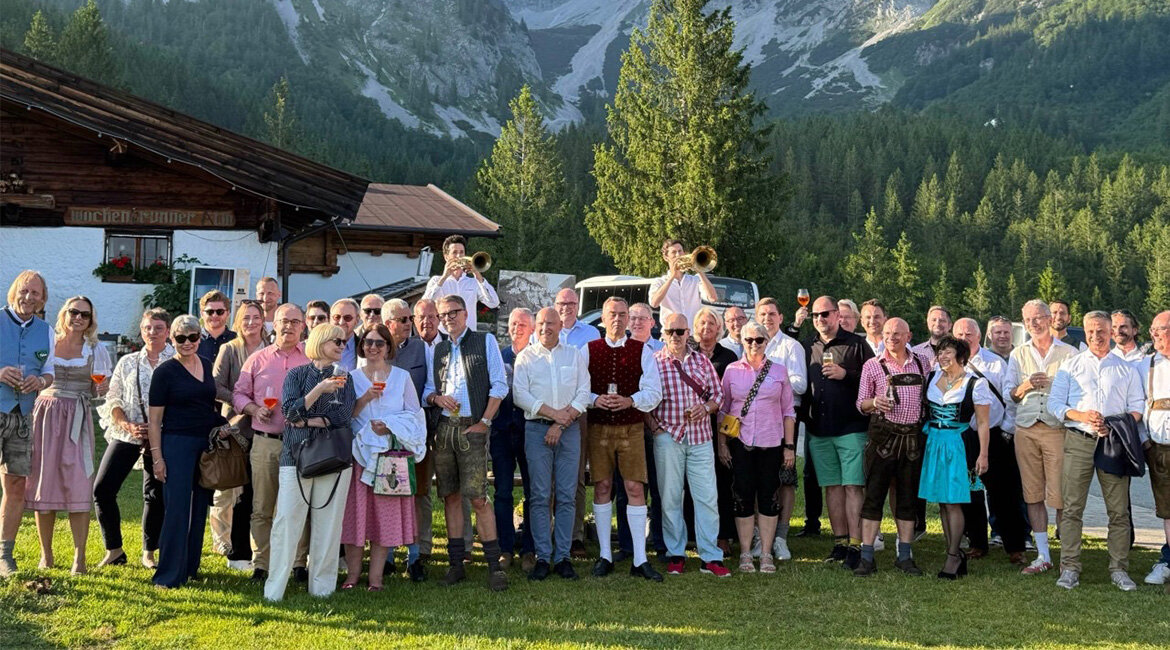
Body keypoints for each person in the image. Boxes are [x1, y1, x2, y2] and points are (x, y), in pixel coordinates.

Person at [1049, 311, 1145, 592]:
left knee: (1118, 510)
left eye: (1101, 330)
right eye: (1090, 331)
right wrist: (1080, 415)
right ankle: (1069, 568)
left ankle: (1119, 569)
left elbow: (1137, 407)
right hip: (1079, 439)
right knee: (1072, 508)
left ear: (1111, 332)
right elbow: (1056, 404)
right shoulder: (1072, 365)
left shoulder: (1125, 368)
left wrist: (1115, 426)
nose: (1095, 336)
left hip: (1112, 442)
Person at [422, 295, 510, 590]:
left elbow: (500, 384)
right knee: (450, 496)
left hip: (473, 425)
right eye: (443, 314)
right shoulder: (440, 349)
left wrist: (483, 422)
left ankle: (494, 566)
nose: (447, 318)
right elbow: (429, 392)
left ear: (465, 313)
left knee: (477, 497)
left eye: (452, 313)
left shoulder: (484, 341)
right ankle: (456, 564)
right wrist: (436, 398)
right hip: (445, 427)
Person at [264, 323, 356, 601]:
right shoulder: (297, 374)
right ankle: (274, 590)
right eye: (336, 341)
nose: (342, 346)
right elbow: (289, 412)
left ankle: (322, 589)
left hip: (334, 458)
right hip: (295, 456)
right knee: (287, 522)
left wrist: (306, 419)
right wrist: (319, 391)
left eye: (343, 342)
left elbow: (343, 418)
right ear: (320, 342)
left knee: (329, 525)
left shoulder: (346, 379)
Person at [26, 296, 111, 574]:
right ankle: (46, 555)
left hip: (76, 415)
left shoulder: (95, 349)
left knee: (78, 484)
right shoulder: (48, 342)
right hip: (45, 417)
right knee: (43, 483)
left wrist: (100, 390)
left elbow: (102, 387)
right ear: (64, 313)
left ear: (90, 320)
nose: (78, 318)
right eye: (73, 312)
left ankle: (79, 558)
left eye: (84, 315)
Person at [341, 324, 426, 591]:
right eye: (368, 342)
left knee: (383, 518)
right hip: (360, 455)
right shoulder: (352, 378)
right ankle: (353, 576)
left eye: (379, 343)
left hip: (390, 456)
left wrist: (389, 425)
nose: (373, 348)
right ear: (361, 346)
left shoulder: (401, 377)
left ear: (389, 347)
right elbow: (346, 417)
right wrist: (365, 399)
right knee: (355, 518)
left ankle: (376, 578)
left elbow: (414, 414)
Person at [584, 297, 663, 581]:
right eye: (612, 314)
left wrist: (630, 400)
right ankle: (605, 554)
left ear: (628, 318)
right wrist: (596, 399)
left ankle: (640, 559)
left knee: (635, 488)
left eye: (622, 314)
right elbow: (579, 389)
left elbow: (654, 392)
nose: (617, 319)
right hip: (599, 427)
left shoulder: (643, 351)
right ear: (603, 319)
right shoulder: (588, 350)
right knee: (603, 486)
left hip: (631, 428)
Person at [147, 314, 228, 589]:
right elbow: (154, 421)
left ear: (199, 338)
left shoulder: (206, 364)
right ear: (172, 340)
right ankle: (169, 574)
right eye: (181, 338)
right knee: (177, 509)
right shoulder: (164, 372)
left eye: (193, 337)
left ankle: (190, 567)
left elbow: (206, 406)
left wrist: (223, 424)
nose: (187, 342)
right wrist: (158, 458)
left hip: (203, 446)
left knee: (199, 507)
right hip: (176, 445)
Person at [233, 303, 311, 583]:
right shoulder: (257, 359)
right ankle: (262, 563)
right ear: (273, 325)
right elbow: (239, 394)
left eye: (294, 321)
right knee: (262, 506)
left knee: (298, 505)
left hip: (301, 443)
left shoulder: (311, 363)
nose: (288, 326)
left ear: (303, 326)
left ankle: (298, 563)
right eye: (283, 321)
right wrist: (254, 410)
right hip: (265, 442)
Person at [513, 307, 590, 581]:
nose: (546, 327)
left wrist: (561, 422)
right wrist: (552, 414)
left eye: (551, 323)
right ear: (535, 327)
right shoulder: (525, 358)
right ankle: (544, 557)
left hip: (568, 431)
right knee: (540, 496)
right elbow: (520, 395)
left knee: (567, 495)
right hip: (536, 432)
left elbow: (584, 392)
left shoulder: (574, 355)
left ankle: (564, 557)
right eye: (542, 323)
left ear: (561, 326)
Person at [649, 313, 728, 577]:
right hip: (668, 437)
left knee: (706, 497)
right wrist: (654, 427)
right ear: (663, 332)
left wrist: (705, 408)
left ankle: (710, 555)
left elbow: (718, 395)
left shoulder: (701, 361)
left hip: (700, 437)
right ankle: (676, 553)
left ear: (687, 334)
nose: (675, 336)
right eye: (671, 331)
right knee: (671, 497)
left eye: (680, 331)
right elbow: (644, 398)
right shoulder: (653, 362)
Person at [94, 308, 173, 569]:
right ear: (141, 330)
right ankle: (114, 550)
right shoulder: (127, 362)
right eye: (148, 327)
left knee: (154, 494)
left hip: (162, 437)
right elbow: (113, 398)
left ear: (168, 331)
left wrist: (157, 428)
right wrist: (126, 424)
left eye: (158, 328)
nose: (152, 332)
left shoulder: (176, 360)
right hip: (128, 433)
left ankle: (149, 552)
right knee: (102, 489)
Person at [1005, 299, 1077, 575]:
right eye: (1027, 320)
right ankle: (1043, 555)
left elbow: (1077, 392)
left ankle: (1067, 556)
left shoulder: (1069, 353)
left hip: (1056, 429)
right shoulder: (1018, 353)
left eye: (1037, 318)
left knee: (1060, 496)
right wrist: (1025, 385)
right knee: (1032, 494)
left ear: (1049, 319)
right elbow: (1009, 393)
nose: (1033, 324)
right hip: (1026, 429)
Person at [718, 321, 796, 573]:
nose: (754, 344)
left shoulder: (779, 371)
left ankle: (765, 553)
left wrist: (789, 446)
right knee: (742, 497)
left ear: (767, 342)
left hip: (771, 443)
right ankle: (744, 553)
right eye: (749, 340)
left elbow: (788, 412)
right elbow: (723, 410)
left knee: (768, 498)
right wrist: (722, 444)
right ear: (742, 341)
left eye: (759, 340)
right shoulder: (731, 370)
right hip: (741, 443)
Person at [853, 318, 928, 577]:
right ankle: (866, 556)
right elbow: (860, 404)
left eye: (897, 333)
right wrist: (875, 401)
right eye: (887, 334)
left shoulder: (922, 362)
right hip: (882, 439)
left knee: (907, 499)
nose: (891, 338)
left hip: (912, 439)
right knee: (873, 497)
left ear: (908, 336)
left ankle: (904, 556)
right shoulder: (873, 365)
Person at [953, 318, 1028, 565]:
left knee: (1003, 493)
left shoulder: (996, 363)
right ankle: (977, 543)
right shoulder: (949, 364)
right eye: (960, 333)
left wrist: (1007, 430)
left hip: (995, 435)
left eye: (970, 333)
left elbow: (1009, 398)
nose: (965, 337)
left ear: (979, 336)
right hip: (964, 435)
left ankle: (1015, 546)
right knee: (972, 491)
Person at [805, 296, 872, 569]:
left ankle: (857, 544)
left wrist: (846, 375)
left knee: (853, 486)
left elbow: (873, 381)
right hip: (819, 429)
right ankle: (840, 542)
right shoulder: (809, 345)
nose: (821, 319)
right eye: (816, 315)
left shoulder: (857, 344)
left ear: (837, 315)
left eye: (825, 314)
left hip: (851, 427)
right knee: (831, 487)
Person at [919, 336, 991, 579]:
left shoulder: (975, 384)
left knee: (954, 500)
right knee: (941, 499)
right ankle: (953, 551)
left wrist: (983, 454)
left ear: (961, 356)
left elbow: (982, 423)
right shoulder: (932, 378)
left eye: (948, 352)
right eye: (940, 352)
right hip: (934, 442)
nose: (943, 356)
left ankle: (953, 555)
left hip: (958, 444)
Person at [0, 270, 55, 578]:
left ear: (42, 299)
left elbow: (50, 373)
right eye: (24, 291)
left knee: (16, 484)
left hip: (22, 416)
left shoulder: (46, 331)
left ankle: (4, 555)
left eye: (35, 293)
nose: (29, 297)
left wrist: (40, 380)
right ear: (14, 292)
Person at [211, 300, 266, 572]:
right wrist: (244, 401)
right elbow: (215, 385)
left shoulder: (271, 349)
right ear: (238, 321)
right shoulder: (229, 350)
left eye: (256, 317)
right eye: (246, 318)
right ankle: (238, 552)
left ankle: (263, 551)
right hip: (238, 429)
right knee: (240, 493)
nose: (251, 323)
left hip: (268, 428)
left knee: (263, 494)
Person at [381, 298, 429, 580]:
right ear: (388, 324)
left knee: (410, 496)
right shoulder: (375, 350)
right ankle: (386, 557)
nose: (409, 323)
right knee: (385, 497)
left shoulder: (422, 348)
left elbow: (418, 401)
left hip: (410, 436)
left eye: (410, 318)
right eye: (403, 319)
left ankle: (414, 557)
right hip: (380, 439)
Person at [756, 297, 807, 561]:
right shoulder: (752, 344)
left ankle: (780, 537)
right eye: (762, 314)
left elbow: (800, 385)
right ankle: (759, 536)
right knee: (759, 478)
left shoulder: (791, 346)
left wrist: (776, 379)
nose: (767, 318)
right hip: (757, 421)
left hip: (785, 418)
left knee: (785, 479)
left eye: (772, 314)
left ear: (781, 317)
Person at [615, 302, 666, 561]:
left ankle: (659, 543)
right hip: (629, 427)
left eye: (641, 318)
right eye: (631, 318)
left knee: (658, 489)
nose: (635, 322)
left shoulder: (663, 351)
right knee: (627, 489)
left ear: (652, 322)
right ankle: (626, 546)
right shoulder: (619, 350)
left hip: (659, 430)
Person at [553, 288, 601, 561]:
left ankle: (574, 537)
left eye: (571, 303)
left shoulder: (591, 334)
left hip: (579, 410)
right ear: (555, 305)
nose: (567, 307)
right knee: (547, 477)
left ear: (578, 305)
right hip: (547, 410)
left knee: (575, 475)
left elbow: (592, 376)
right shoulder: (544, 329)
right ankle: (548, 533)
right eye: (562, 303)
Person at [692, 307, 740, 556]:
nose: (706, 328)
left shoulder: (729, 357)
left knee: (722, 483)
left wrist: (723, 440)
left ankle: (723, 536)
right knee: (691, 485)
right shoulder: (687, 354)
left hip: (718, 428)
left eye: (711, 324)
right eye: (702, 324)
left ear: (719, 329)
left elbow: (731, 400)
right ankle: (693, 534)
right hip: (691, 427)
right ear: (695, 328)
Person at [492, 308, 536, 571]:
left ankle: (529, 549)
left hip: (530, 433)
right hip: (501, 433)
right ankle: (505, 548)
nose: (516, 328)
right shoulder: (499, 356)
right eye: (512, 324)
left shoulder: (537, 357)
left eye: (522, 324)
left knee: (534, 493)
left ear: (532, 328)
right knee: (502, 493)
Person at [1140, 311, 1170, 592]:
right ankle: (1168, 561)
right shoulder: (1146, 365)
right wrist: (1144, 441)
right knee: (1167, 507)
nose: (1155, 336)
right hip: (1159, 446)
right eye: (1153, 331)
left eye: (1160, 330)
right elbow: (1137, 405)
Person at [422, 234, 500, 332]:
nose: (459, 256)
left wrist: (478, 275)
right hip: (444, 336)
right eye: (455, 252)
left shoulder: (474, 282)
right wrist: (444, 277)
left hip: (469, 337)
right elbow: (425, 305)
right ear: (446, 257)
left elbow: (494, 303)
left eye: (461, 252)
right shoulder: (436, 281)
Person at [649, 238, 717, 327]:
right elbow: (654, 303)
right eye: (673, 252)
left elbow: (712, 298)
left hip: (692, 335)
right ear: (666, 257)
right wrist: (672, 277)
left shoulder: (695, 280)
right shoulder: (659, 282)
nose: (678, 255)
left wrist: (700, 271)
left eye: (680, 251)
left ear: (684, 253)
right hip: (670, 334)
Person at [196, 290, 236, 364]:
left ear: (228, 313)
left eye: (220, 311)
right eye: (210, 312)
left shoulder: (237, 340)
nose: (214, 315)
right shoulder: (193, 340)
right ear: (201, 313)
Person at [330, 298, 361, 372]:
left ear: (357, 320)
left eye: (347, 318)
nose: (341, 322)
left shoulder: (364, 347)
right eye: (337, 317)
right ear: (330, 319)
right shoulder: (321, 345)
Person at [255, 277, 281, 342]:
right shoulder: (250, 322)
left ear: (279, 294)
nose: (265, 298)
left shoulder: (287, 322)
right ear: (256, 295)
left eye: (270, 293)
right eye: (261, 293)